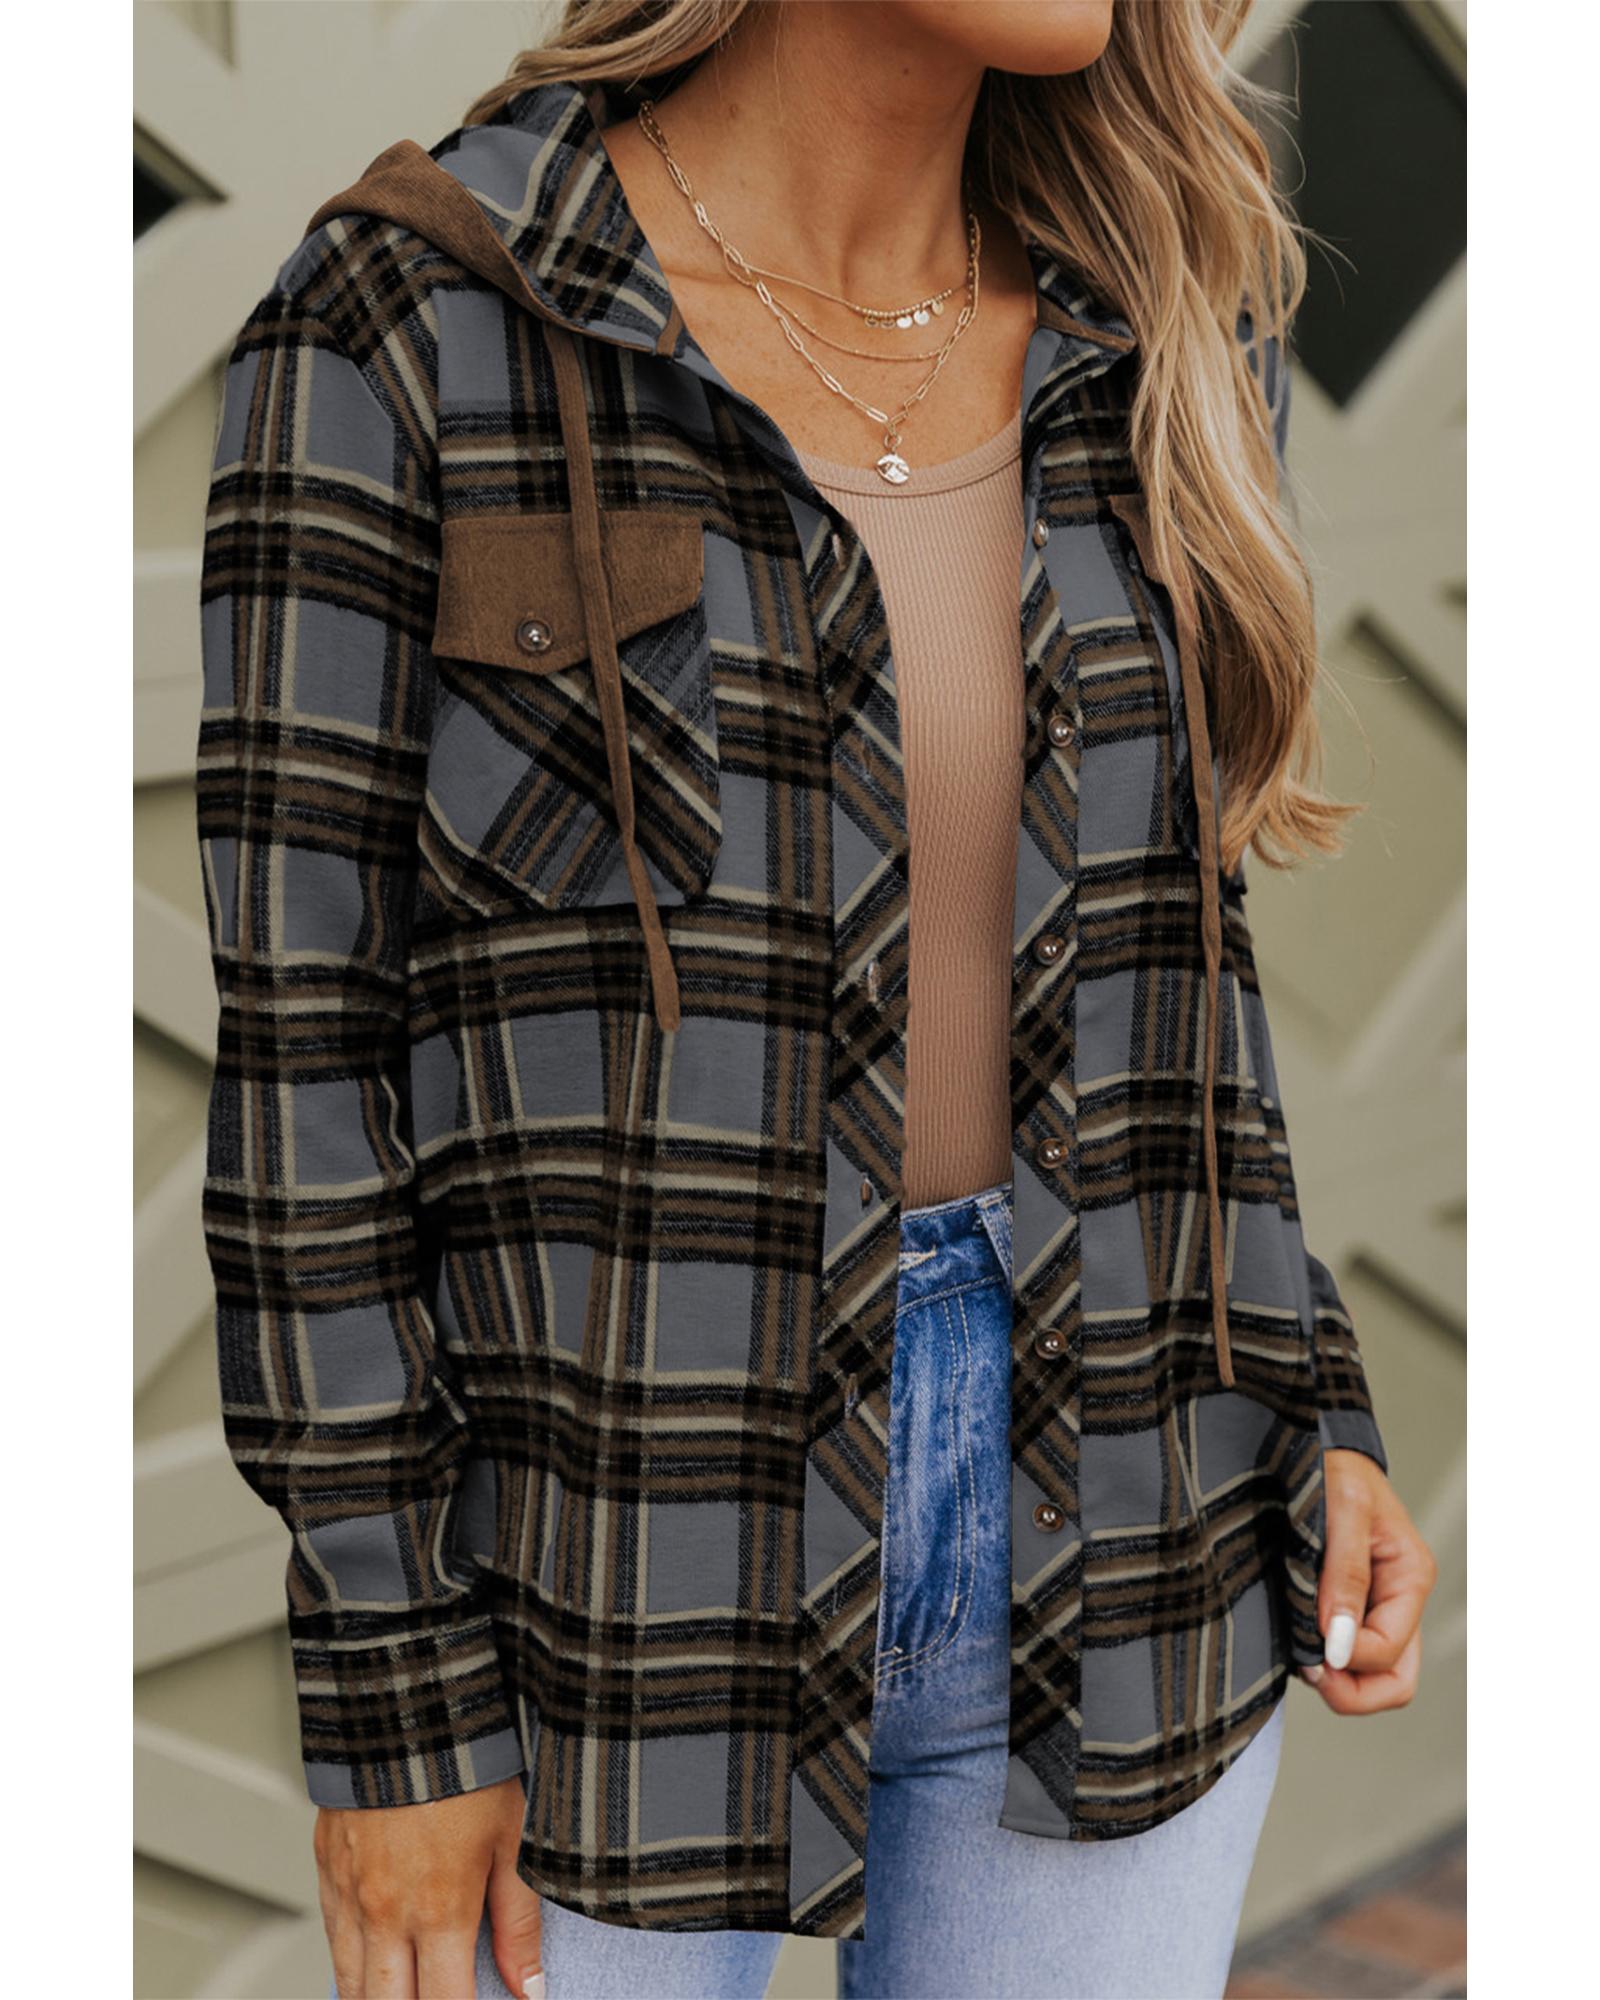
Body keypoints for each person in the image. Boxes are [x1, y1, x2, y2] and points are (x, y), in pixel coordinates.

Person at [195, 3, 1438, 1996]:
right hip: (613, 1574)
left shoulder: (1164, 329)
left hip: (1133, 1528)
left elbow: (1175, 958)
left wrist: (1310, 1392)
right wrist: (395, 1687)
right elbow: (304, 1082)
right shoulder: (414, 323)